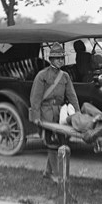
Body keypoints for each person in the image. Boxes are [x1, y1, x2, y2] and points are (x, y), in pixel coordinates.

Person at [30, 42, 80, 182]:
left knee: (59, 142)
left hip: (60, 114)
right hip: (46, 113)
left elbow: (72, 96)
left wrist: (77, 113)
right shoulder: (42, 76)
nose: (59, 61)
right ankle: (58, 176)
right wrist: (36, 117)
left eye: (61, 58)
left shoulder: (65, 76)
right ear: (50, 59)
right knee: (52, 142)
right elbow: (35, 98)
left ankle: (47, 172)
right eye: (57, 58)